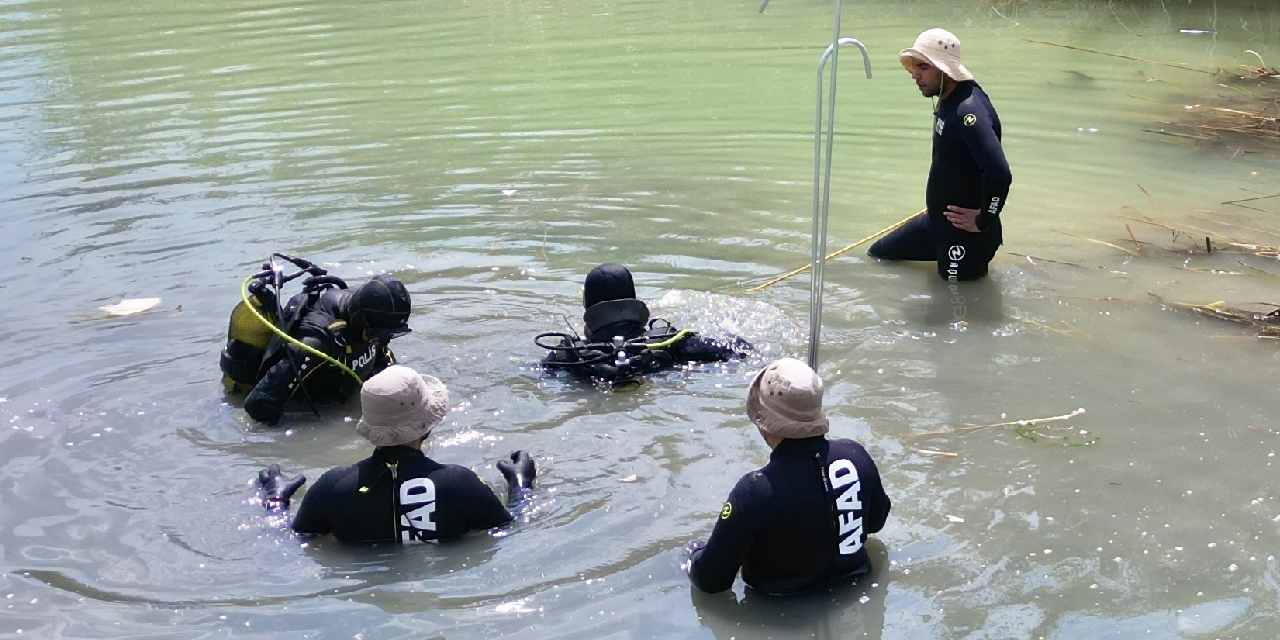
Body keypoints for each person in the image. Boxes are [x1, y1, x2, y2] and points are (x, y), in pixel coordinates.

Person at [255, 365, 536, 543]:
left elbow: (291, 540)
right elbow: (512, 530)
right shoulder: (461, 485)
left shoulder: (331, 489)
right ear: (427, 425)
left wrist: (275, 500)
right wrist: (521, 487)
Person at [684, 358, 891, 595]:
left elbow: (711, 581)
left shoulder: (755, 491)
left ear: (762, 418)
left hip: (779, 613)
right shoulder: (856, 455)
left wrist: (693, 552)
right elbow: (876, 522)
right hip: (856, 587)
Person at [869, 28, 1012, 282]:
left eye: (923, 67)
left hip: (963, 234)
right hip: (937, 222)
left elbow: (1000, 173)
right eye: (914, 68)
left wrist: (984, 220)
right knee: (880, 254)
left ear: (944, 69)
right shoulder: (947, 98)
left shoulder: (968, 112)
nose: (915, 75)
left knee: (955, 304)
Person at [221, 259, 414, 425]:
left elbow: (380, 357)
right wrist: (325, 431)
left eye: (389, 333)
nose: (382, 338)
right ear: (361, 319)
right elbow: (258, 405)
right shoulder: (314, 344)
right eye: (377, 333)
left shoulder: (372, 320)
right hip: (312, 403)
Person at [538, 263, 752, 382]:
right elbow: (742, 348)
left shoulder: (569, 356)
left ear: (587, 304)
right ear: (633, 299)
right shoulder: (670, 343)